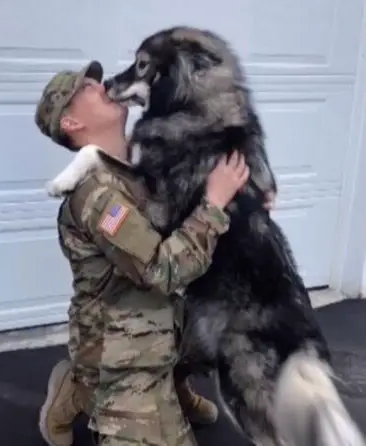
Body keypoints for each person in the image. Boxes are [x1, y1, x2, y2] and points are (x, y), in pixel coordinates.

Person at [34, 61, 259, 446]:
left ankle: (171, 381)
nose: (100, 84)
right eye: (85, 88)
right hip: (122, 353)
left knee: (237, 326)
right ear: (71, 123)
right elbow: (162, 268)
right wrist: (214, 203)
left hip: (168, 319)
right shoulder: (99, 196)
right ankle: (81, 388)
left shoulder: (138, 163)